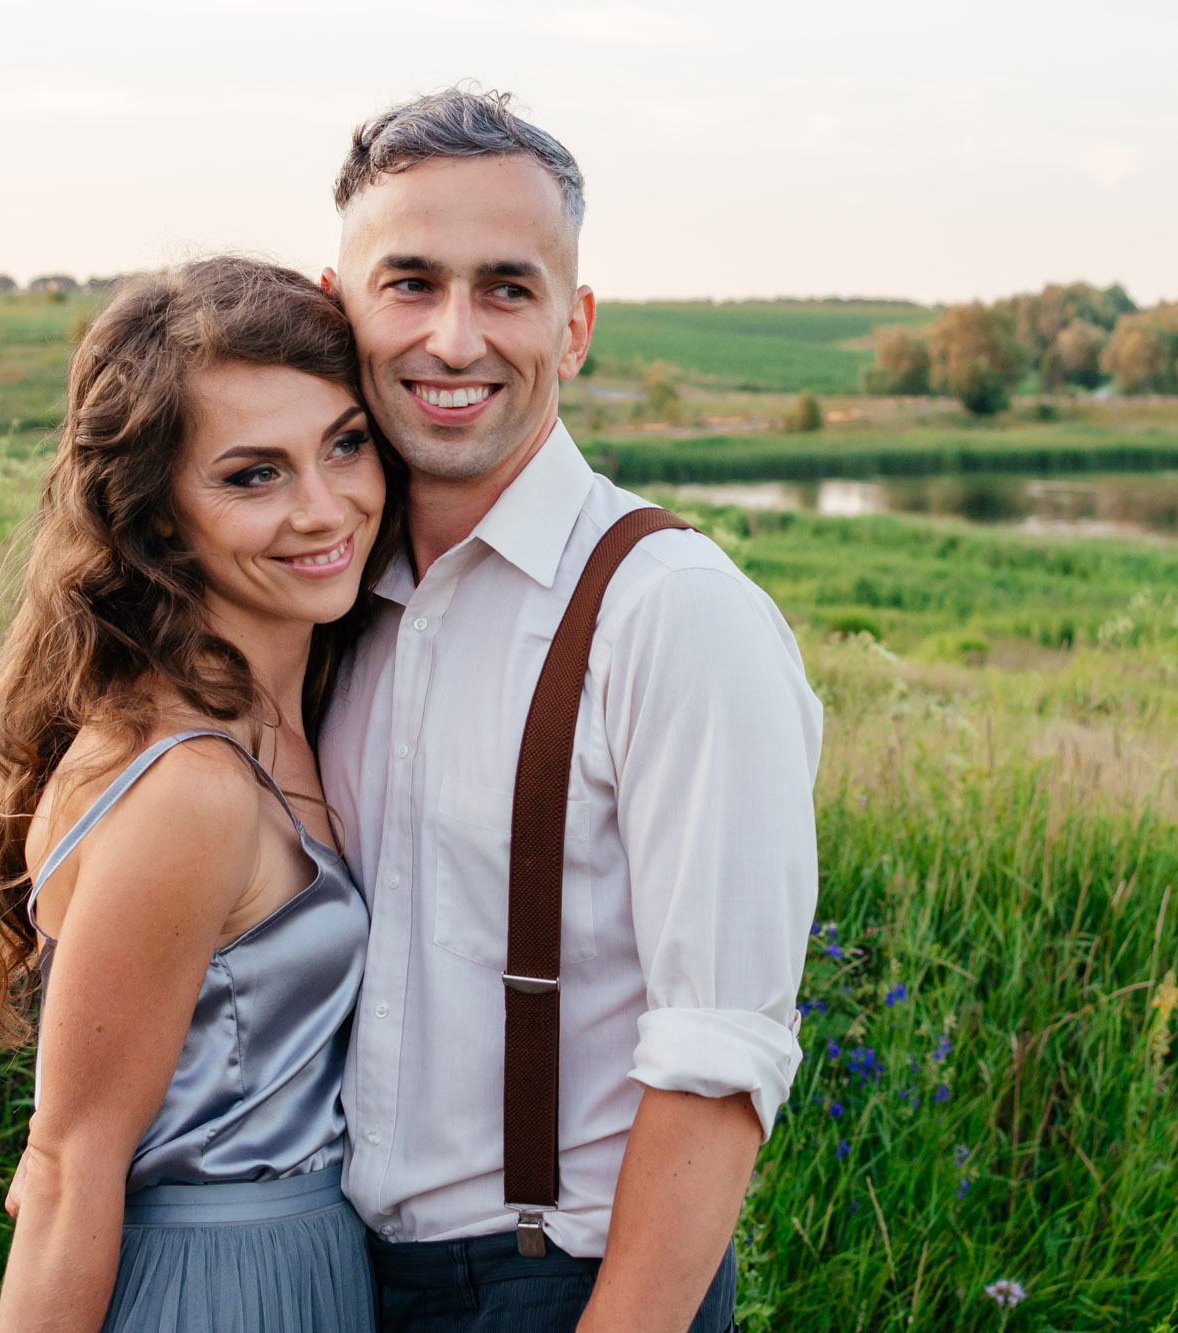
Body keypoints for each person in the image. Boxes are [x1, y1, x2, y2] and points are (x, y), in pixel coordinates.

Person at [318, 89, 824, 1332]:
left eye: (505, 288)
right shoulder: (331, 602)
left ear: (575, 325)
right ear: (340, 311)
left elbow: (720, 1054)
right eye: (408, 283)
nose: (452, 338)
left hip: (568, 1288)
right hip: (341, 1276)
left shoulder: (671, 612)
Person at [0, 257, 401, 1333]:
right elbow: (64, 1167)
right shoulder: (188, 785)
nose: (324, 505)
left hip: (304, 1267)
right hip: (214, 1289)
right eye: (253, 475)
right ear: (159, 523)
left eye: (344, 442)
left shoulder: (303, 706)